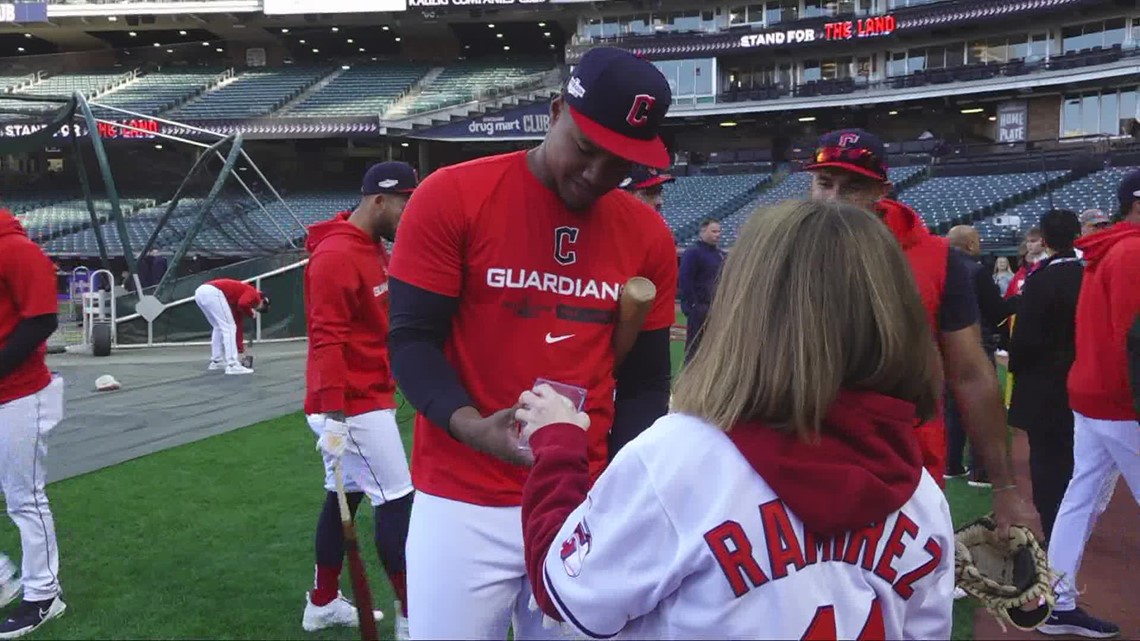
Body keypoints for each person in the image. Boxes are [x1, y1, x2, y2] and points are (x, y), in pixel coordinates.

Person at [518, 200, 953, 638]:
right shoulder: (923, 494)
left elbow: (566, 593)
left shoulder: (680, 457)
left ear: (746, 305)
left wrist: (558, 444)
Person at [386, 46, 678, 640]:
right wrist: (471, 426)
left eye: (619, 163)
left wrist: (613, 487)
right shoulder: (452, 195)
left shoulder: (647, 232)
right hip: (461, 494)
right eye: (587, 148)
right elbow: (412, 341)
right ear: (553, 113)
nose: (596, 175)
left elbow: (646, 382)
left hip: (582, 500)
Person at [805, 128, 1035, 537]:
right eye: (824, 183)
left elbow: (971, 374)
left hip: (902, 465)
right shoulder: (787, 248)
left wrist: (1004, 487)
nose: (834, 198)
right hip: (799, 458)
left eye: (853, 186)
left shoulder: (936, 259)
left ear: (882, 191)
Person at [302, 162, 418, 638]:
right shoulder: (334, 256)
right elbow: (325, 338)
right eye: (404, 203)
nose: (409, 213)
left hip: (367, 395)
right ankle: (415, 616)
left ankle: (323, 602)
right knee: (397, 500)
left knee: (342, 499)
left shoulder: (374, 248)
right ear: (379, 201)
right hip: (349, 406)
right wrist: (334, 416)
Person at [1041, 170, 1140, 638]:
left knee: (1079, 499)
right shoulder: (1133, 250)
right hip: (1123, 402)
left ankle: (1056, 602)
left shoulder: (1109, 248)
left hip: (1091, 394)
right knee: (1080, 498)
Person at [0, 210, 67, 638]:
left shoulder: (15, 249)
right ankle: (5, 578)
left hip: (21, 393)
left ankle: (44, 594)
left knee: (25, 498)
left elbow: (43, 318)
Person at [1005, 210, 1084, 542]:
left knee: (1048, 462)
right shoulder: (1089, 274)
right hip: (1083, 379)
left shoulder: (1041, 280)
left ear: (1047, 240)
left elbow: (1026, 339)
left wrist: (1015, 367)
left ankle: (1054, 528)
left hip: (1045, 385)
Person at [944, 224, 1012, 487]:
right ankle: (981, 471)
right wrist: (1017, 302)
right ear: (971, 244)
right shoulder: (975, 269)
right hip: (974, 342)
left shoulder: (939, 267)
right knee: (979, 403)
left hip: (943, 345)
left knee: (952, 406)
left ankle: (952, 463)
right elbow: (995, 310)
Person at [192, 277, 268, 375]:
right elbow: (243, 303)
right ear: (262, 300)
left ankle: (217, 361)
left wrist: (240, 350)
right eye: (263, 307)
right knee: (229, 327)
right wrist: (250, 313)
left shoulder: (239, 297)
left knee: (219, 327)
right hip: (213, 292)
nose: (259, 309)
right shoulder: (254, 294)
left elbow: (238, 326)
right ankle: (232, 365)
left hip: (200, 292)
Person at [678, 218, 724, 362]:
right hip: (699, 307)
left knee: (714, 346)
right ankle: (689, 377)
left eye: (719, 231)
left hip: (716, 307)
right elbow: (685, 279)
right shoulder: (693, 253)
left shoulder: (720, 255)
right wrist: (693, 306)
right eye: (714, 231)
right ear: (703, 231)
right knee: (694, 347)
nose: (718, 234)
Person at [1004, 227, 1047, 299]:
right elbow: (1009, 296)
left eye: (1033, 241)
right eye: (1028, 241)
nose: (1029, 244)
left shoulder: (1048, 266)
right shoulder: (1022, 270)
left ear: (1043, 242)